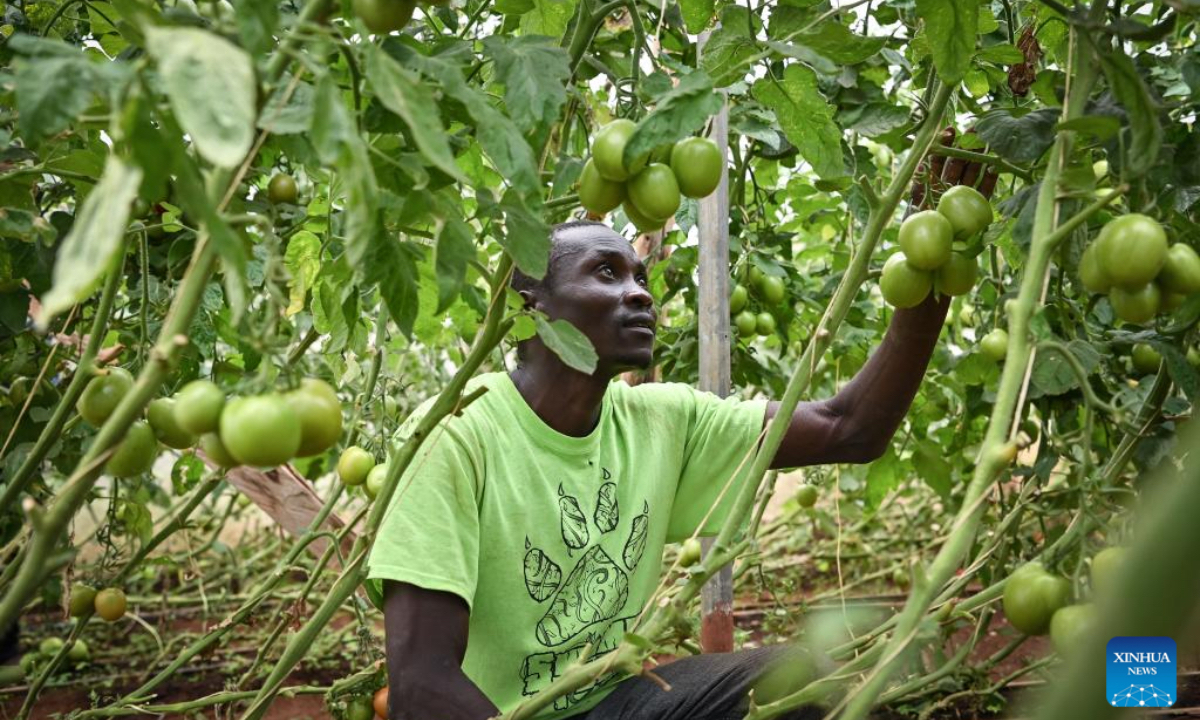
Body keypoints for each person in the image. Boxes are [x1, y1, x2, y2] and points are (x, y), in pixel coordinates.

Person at [366, 153, 993, 720]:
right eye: (606, 273)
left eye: (640, 277)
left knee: (802, 681)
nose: (639, 292)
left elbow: (849, 430)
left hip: (608, 703)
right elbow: (421, 687)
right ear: (531, 304)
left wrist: (929, 274)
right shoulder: (456, 438)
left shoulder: (662, 421)